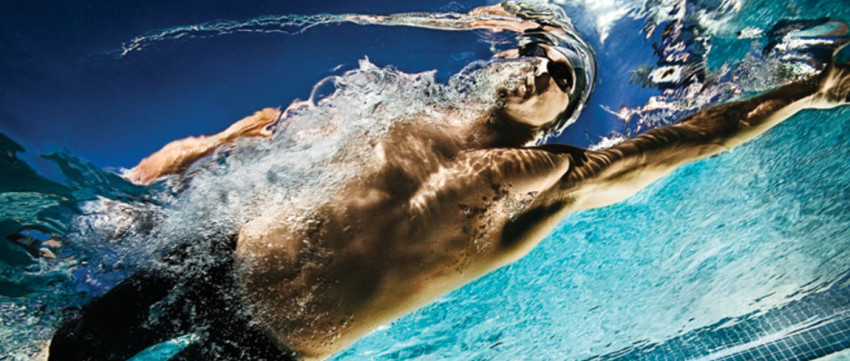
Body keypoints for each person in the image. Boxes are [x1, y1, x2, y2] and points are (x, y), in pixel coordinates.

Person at [47, 3, 850, 361]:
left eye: (561, 75)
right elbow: (275, 162)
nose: (540, 63)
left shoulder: (540, 176)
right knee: (73, 347)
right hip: (222, 262)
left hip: (275, 345)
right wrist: (219, 142)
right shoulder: (393, 112)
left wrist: (796, 94)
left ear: (557, 115)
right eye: (533, 53)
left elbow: (681, 143)